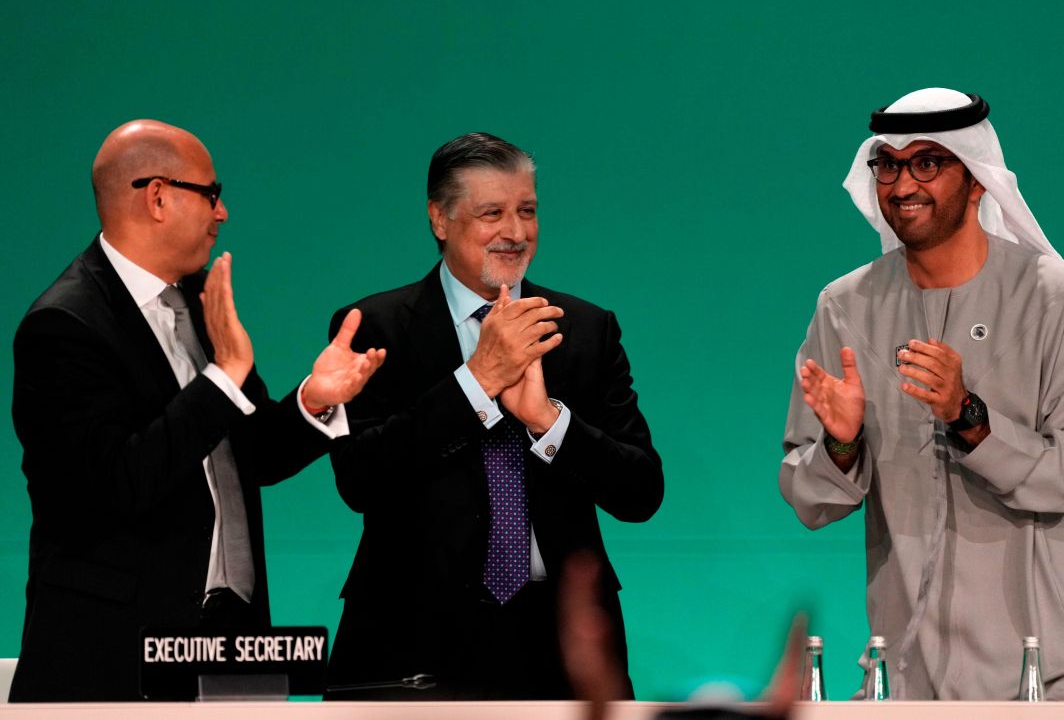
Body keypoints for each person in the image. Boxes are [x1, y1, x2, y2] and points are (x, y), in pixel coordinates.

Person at [9, 120, 385, 702]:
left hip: (233, 643)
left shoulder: (198, 299)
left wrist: (313, 401)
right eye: (211, 194)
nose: (223, 212)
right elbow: (121, 483)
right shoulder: (63, 327)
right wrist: (221, 378)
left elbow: (251, 455)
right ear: (157, 197)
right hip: (115, 659)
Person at [780, 88, 1064, 700]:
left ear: (978, 177)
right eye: (889, 164)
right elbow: (810, 498)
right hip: (912, 673)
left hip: (1056, 675)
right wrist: (842, 443)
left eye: (928, 162)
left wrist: (969, 417)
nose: (903, 185)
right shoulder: (846, 307)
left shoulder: (1060, 299)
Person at [324, 132, 663, 700]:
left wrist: (550, 422)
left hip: (561, 641)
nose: (515, 232)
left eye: (526, 211)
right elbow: (359, 478)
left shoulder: (584, 328)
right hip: (412, 636)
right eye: (492, 213)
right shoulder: (373, 327)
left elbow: (641, 490)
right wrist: (475, 383)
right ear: (439, 218)